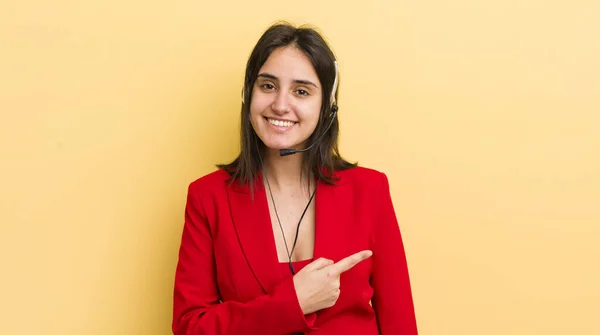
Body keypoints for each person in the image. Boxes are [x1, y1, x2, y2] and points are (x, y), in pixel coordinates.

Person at [172, 22, 418, 335]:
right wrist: (293, 303)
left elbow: (401, 325)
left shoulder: (370, 190)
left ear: (327, 106)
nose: (281, 105)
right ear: (248, 93)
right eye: (268, 86)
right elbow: (190, 327)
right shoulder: (207, 197)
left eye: (301, 91)